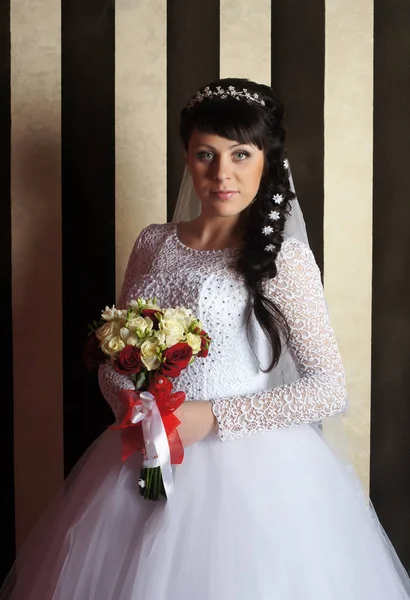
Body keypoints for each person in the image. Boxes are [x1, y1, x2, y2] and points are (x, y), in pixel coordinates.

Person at [1, 77, 410, 599]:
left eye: (241, 154)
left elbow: (329, 387)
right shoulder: (153, 242)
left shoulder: (283, 259)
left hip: (250, 469)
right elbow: (116, 355)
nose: (223, 174)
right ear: (187, 159)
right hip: (144, 452)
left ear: (268, 160)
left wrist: (210, 417)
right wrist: (127, 399)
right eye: (205, 155)